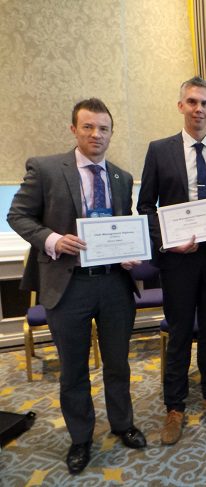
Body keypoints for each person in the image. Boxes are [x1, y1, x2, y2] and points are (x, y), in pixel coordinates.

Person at [7, 98, 146, 474]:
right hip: (69, 287)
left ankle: (122, 424)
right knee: (73, 371)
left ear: (111, 133)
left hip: (114, 286)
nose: (96, 134)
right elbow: (17, 215)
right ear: (74, 129)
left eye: (103, 128)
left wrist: (129, 253)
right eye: (88, 127)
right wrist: (52, 239)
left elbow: (121, 226)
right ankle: (81, 438)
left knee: (118, 363)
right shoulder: (47, 168)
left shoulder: (120, 176)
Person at [137, 76, 206, 445]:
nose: (199, 109)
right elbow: (146, 206)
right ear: (181, 106)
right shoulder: (160, 150)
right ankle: (174, 407)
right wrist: (168, 241)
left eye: (205, 103)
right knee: (180, 334)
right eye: (192, 102)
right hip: (179, 261)